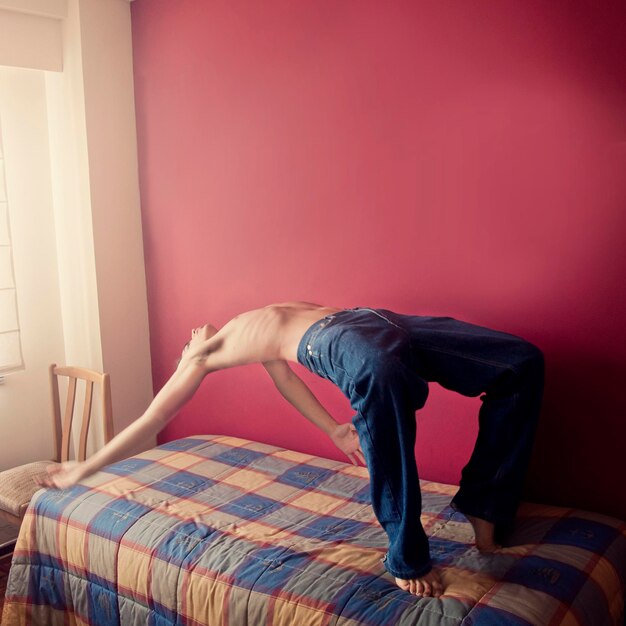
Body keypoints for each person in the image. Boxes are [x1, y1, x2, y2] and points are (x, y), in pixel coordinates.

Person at [40, 301, 544, 599]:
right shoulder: (201, 357)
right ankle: (407, 558)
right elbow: (153, 418)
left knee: (520, 364)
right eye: (190, 341)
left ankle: (485, 506)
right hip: (345, 339)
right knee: (385, 386)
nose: (196, 332)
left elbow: (284, 376)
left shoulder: (247, 325)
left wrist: (333, 430)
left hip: (374, 320)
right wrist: (81, 469)